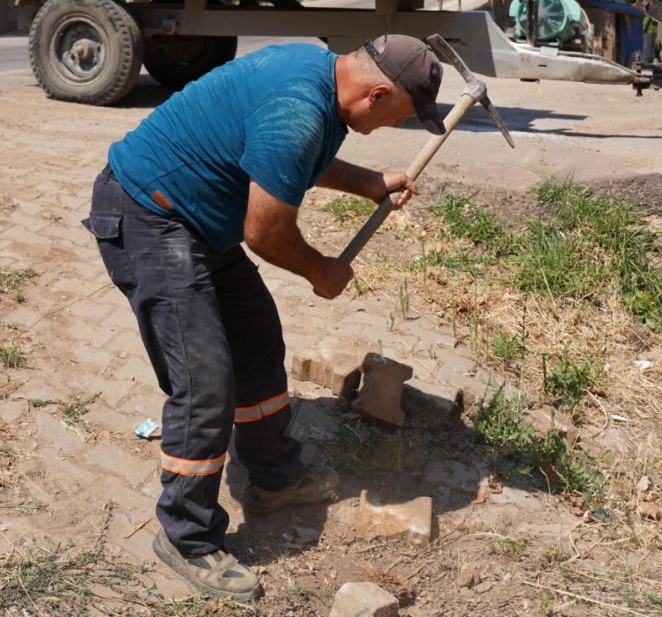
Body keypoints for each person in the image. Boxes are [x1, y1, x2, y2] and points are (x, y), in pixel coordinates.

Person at [83, 34, 445, 601]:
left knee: (257, 341)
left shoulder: (317, 73)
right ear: (376, 93)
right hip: (149, 216)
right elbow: (266, 231)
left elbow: (293, 159)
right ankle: (187, 536)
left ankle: (273, 475)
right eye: (404, 114)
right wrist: (319, 271)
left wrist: (370, 182)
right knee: (204, 384)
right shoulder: (298, 110)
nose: (402, 125)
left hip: (199, 224)